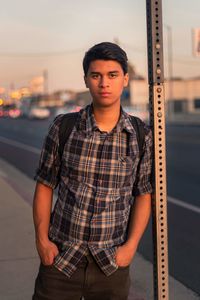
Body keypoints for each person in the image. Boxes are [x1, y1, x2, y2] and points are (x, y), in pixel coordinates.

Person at [32, 42, 153, 300]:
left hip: (111, 266)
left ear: (125, 79)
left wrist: (130, 248)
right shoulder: (63, 127)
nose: (104, 83)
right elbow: (44, 185)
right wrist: (42, 240)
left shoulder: (140, 135)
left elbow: (143, 195)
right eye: (96, 75)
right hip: (60, 261)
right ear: (86, 80)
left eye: (112, 75)